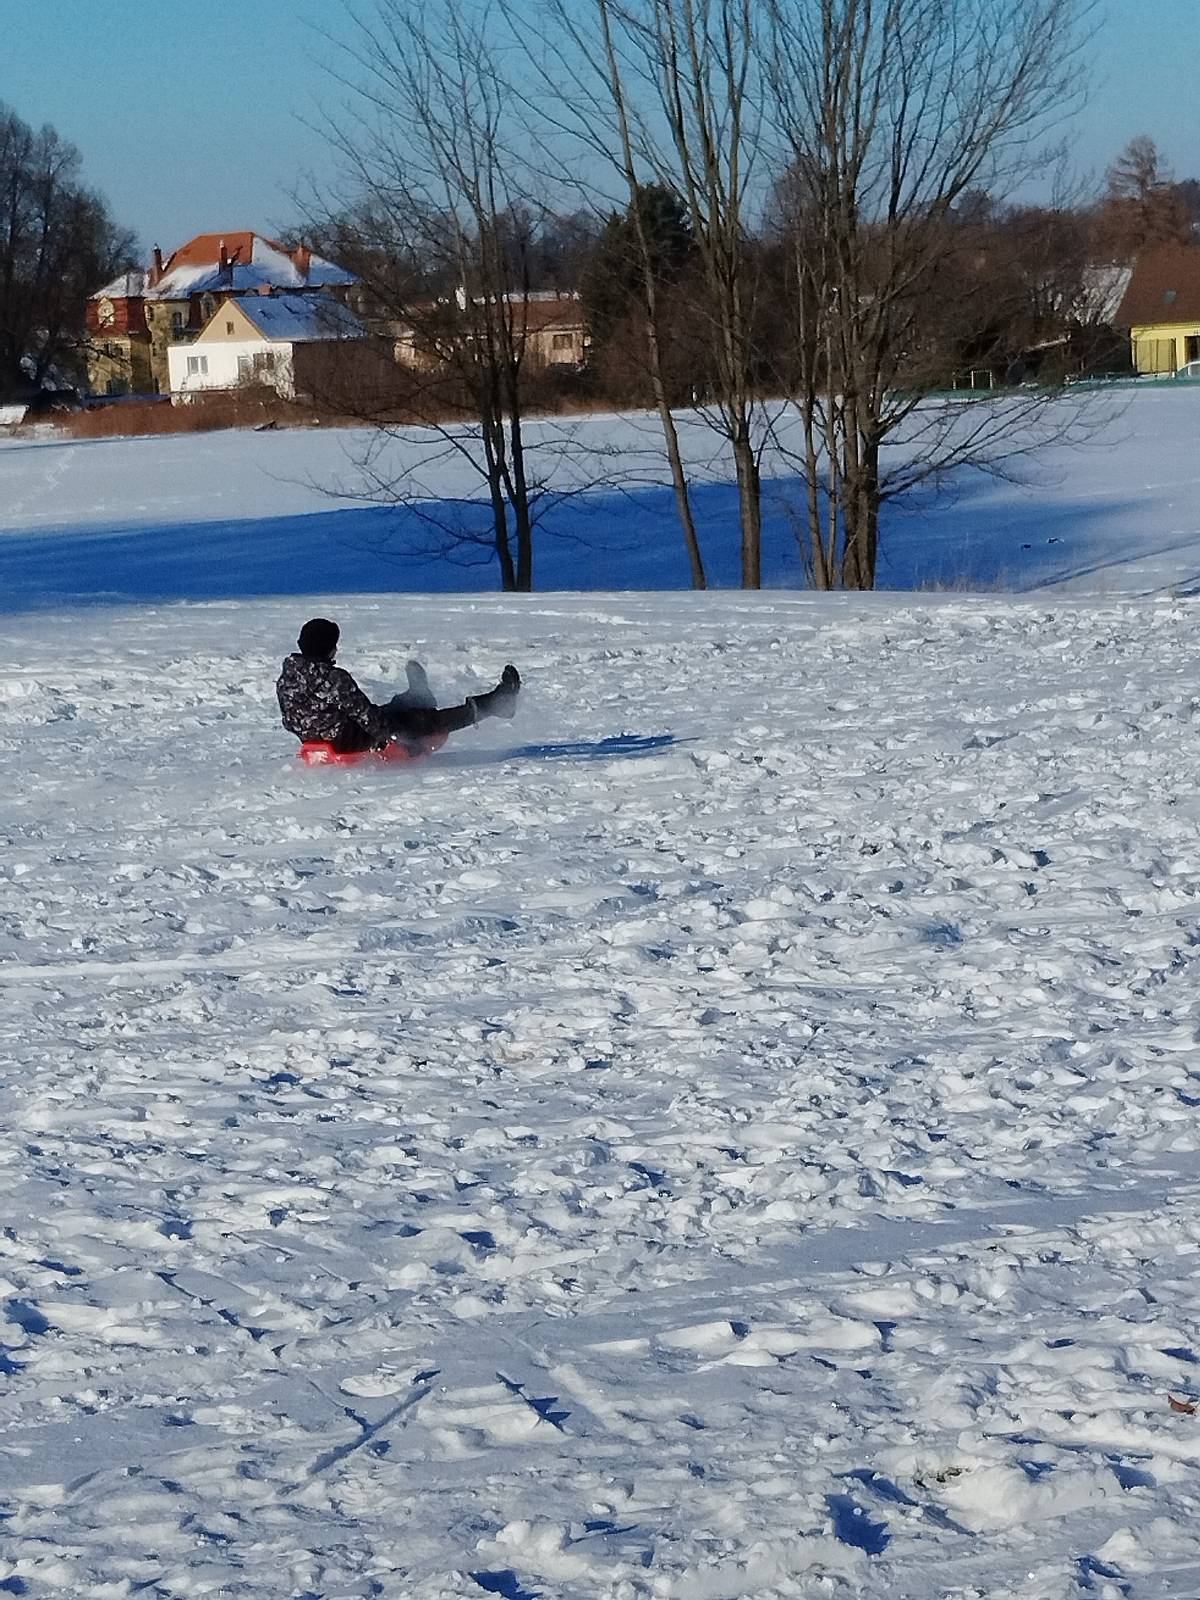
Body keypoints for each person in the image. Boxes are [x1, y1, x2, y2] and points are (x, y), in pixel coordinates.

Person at [277, 617, 520, 754]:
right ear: (329, 647)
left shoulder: (288, 676)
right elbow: (367, 717)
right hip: (350, 739)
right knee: (424, 721)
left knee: (390, 711)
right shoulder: (332, 678)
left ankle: (417, 697)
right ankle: (496, 705)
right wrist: (395, 739)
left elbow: (292, 718)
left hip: (322, 735)